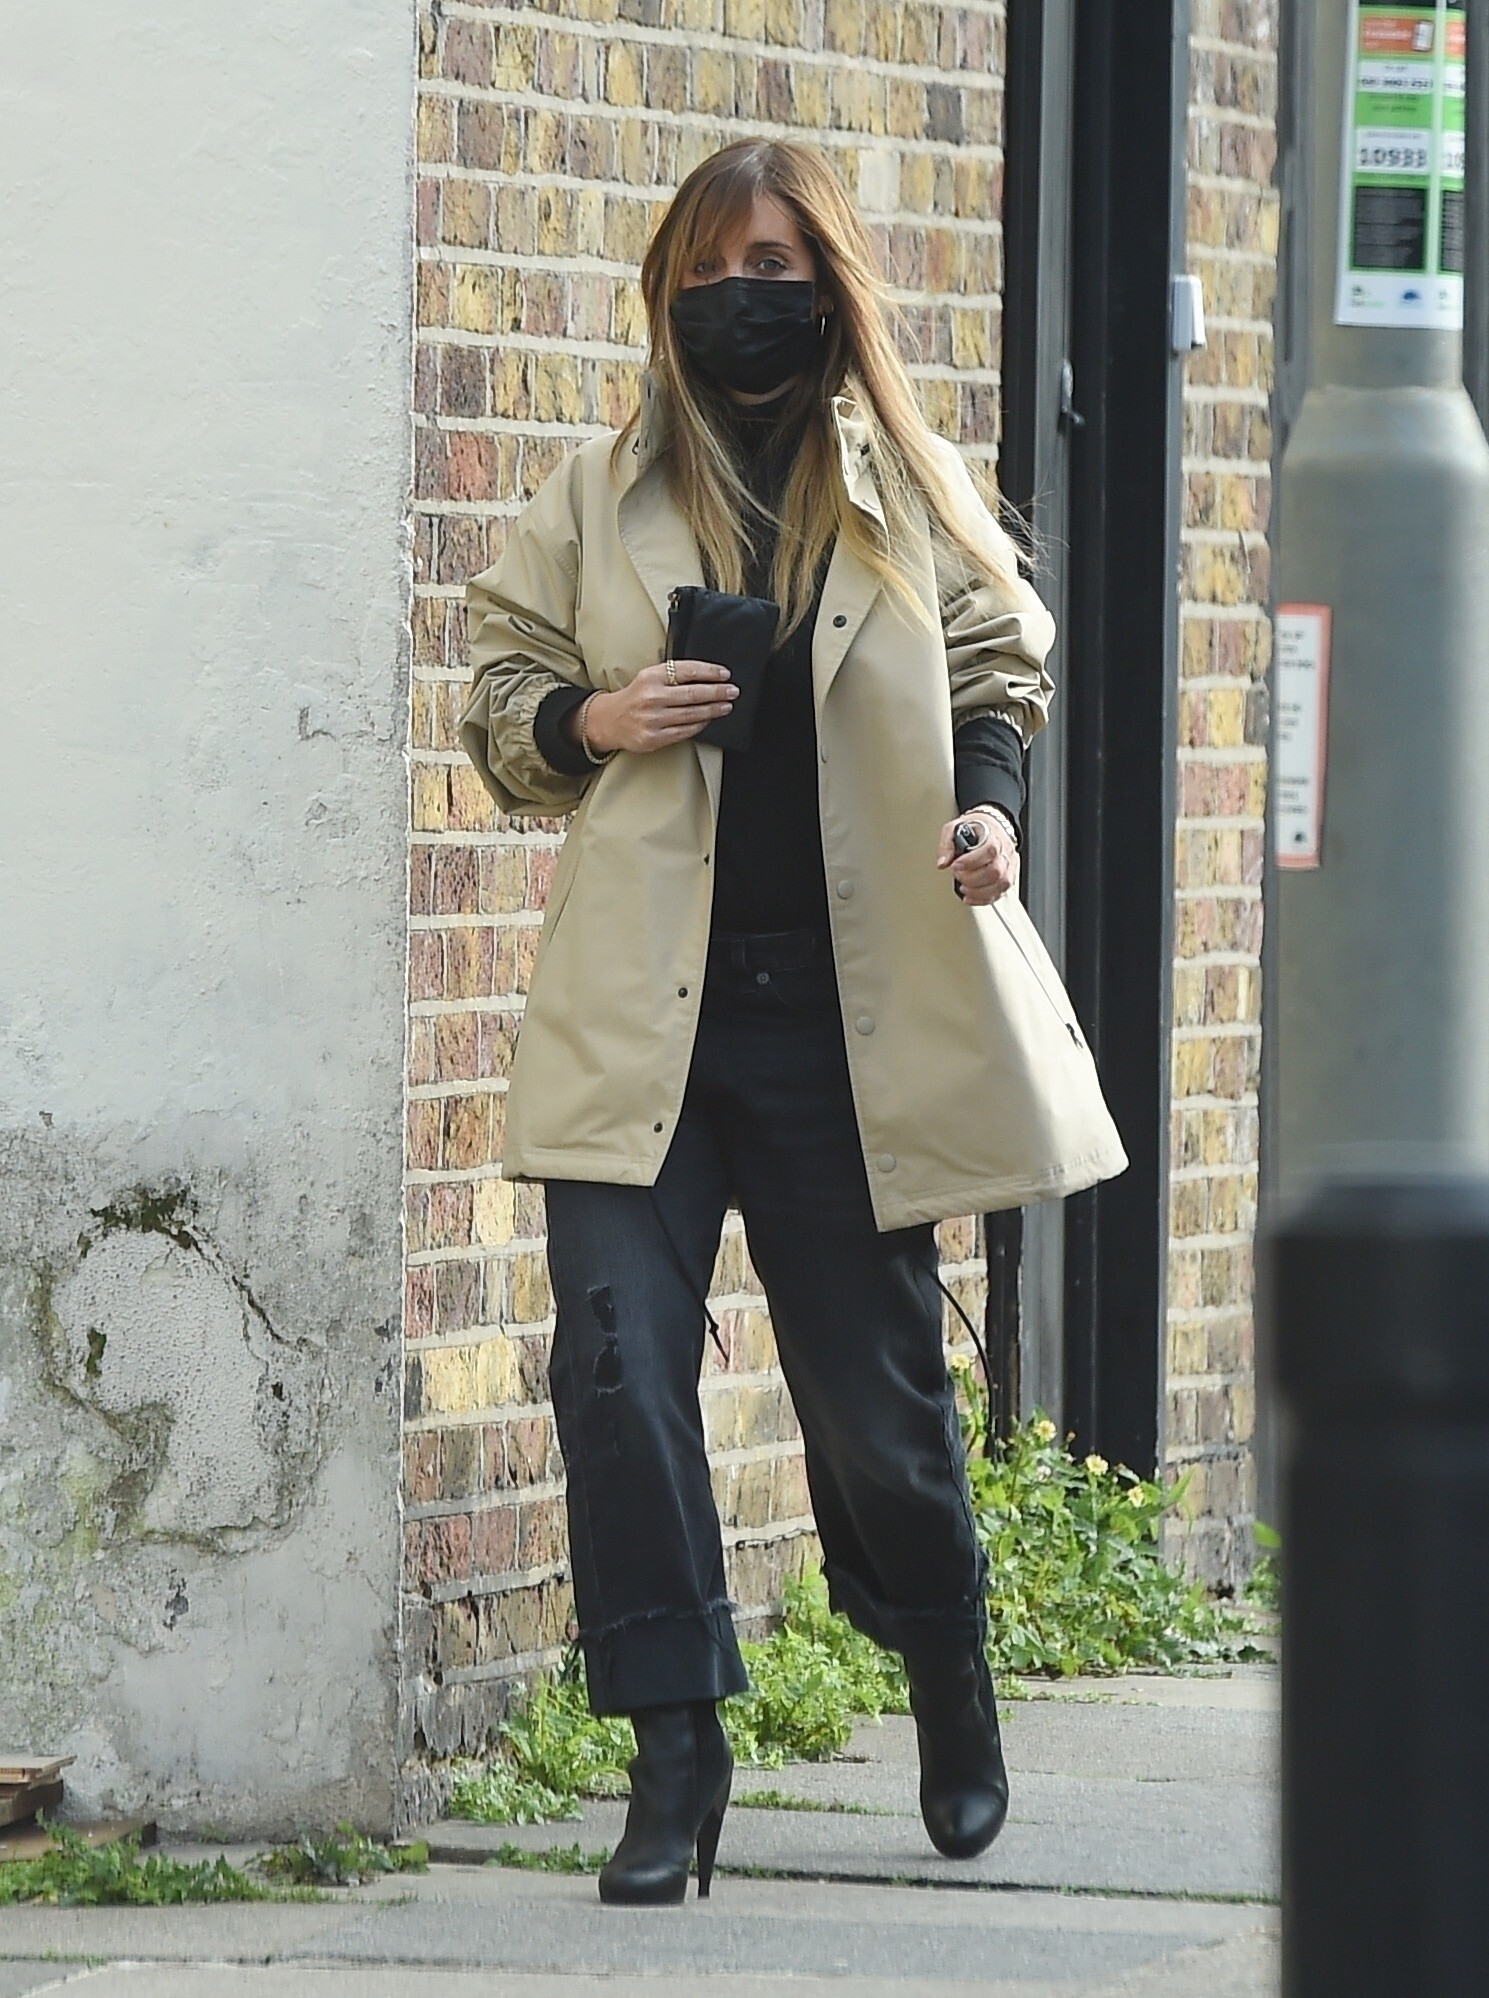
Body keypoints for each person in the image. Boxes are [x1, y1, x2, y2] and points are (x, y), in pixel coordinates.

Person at [460, 138, 1126, 1906]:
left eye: (775, 263)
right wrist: (597, 720)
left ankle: (945, 1655)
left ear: (827, 284)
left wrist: (988, 811)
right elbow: (500, 687)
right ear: (668, 289)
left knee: (878, 1408)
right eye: (711, 264)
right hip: (644, 1021)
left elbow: (998, 665)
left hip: (844, 1022)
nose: (742, 293)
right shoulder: (597, 494)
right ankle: (673, 1752)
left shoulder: (901, 485)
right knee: (613, 1364)